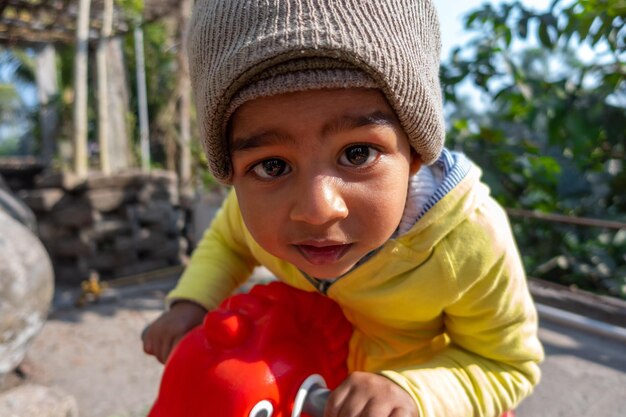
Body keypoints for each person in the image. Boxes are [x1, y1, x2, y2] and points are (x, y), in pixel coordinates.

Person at [142, 1, 544, 416]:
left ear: (415, 154)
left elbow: (506, 364)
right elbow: (228, 243)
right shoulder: (247, 214)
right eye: (273, 165)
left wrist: (412, 392)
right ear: (232, 173)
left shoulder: (467, 241)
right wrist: (192, 302)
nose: (318, 210)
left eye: (356, 154)